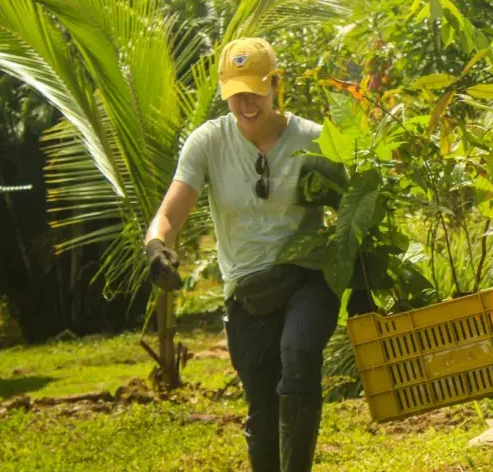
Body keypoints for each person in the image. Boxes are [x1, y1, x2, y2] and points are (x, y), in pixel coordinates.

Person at [143, 37, 372, 472]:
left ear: (275, 85)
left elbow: (351, 215)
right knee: (264, 418)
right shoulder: (208, 143)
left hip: (308, 276)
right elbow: (168, 215)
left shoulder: (315, 140)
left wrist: (362, 287)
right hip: (248, 292)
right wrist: (158, 250)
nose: (247, 103)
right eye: (236, 94)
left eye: (255, 90)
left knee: (299, 354)